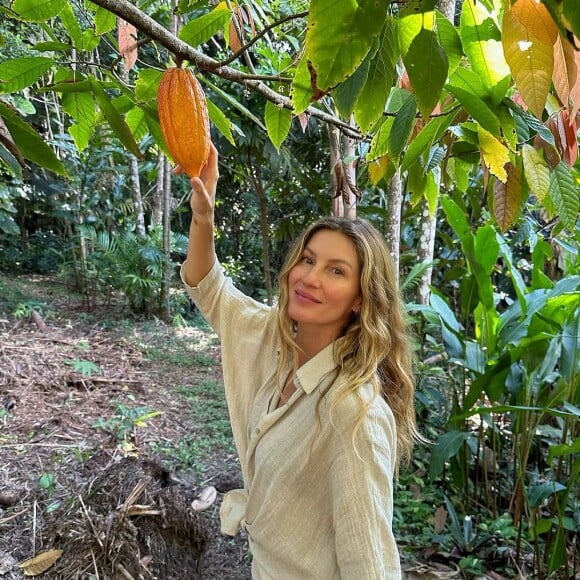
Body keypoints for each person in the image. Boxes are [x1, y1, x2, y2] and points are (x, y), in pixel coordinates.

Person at [180, 143, 419, 579]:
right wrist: (203, 217)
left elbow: (371, 567)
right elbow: (209, 289)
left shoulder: (352, 414)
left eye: (336, 270)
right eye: (307, 259)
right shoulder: (276, 340)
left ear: (361, 298)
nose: (309, 277)